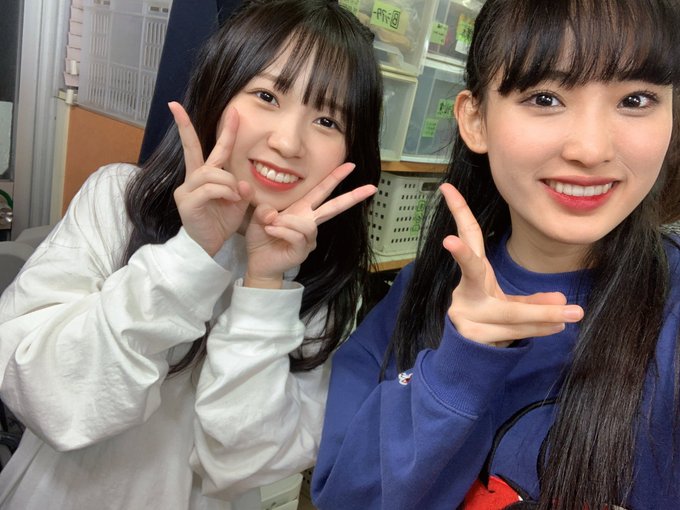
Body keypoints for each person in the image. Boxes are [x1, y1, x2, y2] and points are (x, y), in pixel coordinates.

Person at [0, 0, 382, 508]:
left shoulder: (326, 283)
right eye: (267, 95)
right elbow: (45, 398)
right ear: (219, 92)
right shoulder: (119, 199)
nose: (288, 142)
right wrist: (190, 256)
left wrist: (266, 287)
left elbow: (240, 466)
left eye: (328, 120)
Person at [312, 0, 680, 509]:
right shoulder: (417, 293)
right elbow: (345, 497)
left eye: (636, 100)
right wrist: (456, 370)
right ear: (475, 119)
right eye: (545, 98)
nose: (591, 150)